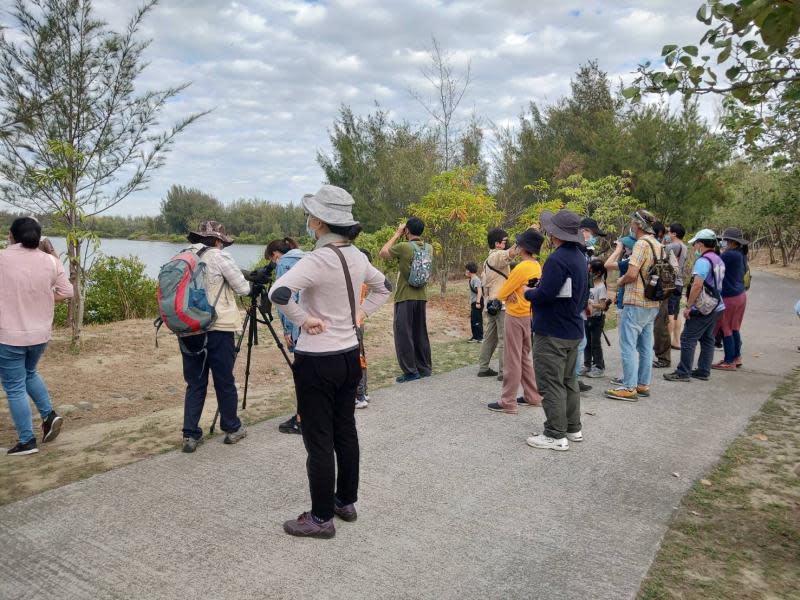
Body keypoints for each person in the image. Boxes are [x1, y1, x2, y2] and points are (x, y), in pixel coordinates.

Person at [271, 184, 390, 539]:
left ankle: (321, 517)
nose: (308, 220)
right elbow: (386, 287)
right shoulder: (357, 257)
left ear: (320, 223)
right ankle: (345, 501)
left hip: (317, 359)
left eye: (311, 215)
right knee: (345, 430)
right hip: (349, 354)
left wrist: (303, 318)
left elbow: (278, 293)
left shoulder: (317, 260)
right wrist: (360, 315)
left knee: (319, 439)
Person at [0, 217, 73, 456]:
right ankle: (49, 415)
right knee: (29, 373)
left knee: (14, 386)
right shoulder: (51, 261)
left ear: (11, 235)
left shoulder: (2, 258)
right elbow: (67, 292)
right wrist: (40, 297)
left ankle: (27, 441)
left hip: (9, 335)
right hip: (40, 334)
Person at [180, 221, 251, 453]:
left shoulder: (183, 256)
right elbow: (243, 289)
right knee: (223, 379)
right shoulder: (219, 257)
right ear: (218, 240)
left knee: (195, 382)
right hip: (218, 327)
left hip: (189, 328)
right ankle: (231, 428)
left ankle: (190, 435)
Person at [525, 210, 588, 451]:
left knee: (550, 381)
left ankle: (554, 433)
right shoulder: (579, 257)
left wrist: (528, 293)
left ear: (554, 234)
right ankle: (573, 428)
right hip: (572, 328)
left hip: (552, 331)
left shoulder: (557, 259)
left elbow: (545, 294)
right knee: (568, 380)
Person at [605, 210, 661, 402]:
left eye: (632, 222)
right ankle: (642, 384)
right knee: (645, 346)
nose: (631, 225)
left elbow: (631, 273)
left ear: (637, 225)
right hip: (652, 302)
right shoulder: (658, 245)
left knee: (628, 345)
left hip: (635, 301)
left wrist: (619, 282)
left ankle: (629, 387)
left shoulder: (641, 245)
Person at [486, 229, 544, 414]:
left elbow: (502, 292)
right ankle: (532, 395)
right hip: (529, 314)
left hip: (515, 315)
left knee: (512, 359)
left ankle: (508, 401)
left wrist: (509, 292)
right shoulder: (537, 266)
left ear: (524, 247)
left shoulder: (520, 268)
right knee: (524, 358)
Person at [664, 229, 726, 382]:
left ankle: (683, 372)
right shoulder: (718, 259)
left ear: (701, 243)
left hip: (704, 307)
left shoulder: (703, 261)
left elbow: (697, 285)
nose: (695, 246)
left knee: (687, 338)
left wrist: (689, 306)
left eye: (697, 243)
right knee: (707, 338)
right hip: (717, 305)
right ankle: (703, 370)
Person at [379, 217, 432, 383]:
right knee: (420, 332)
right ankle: (424, 368)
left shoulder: (404, 247)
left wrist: (397, 233)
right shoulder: (429, 248)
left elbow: (383, 253)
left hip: (405, 296)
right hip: (421, 296)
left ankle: (410, 371)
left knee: (404, 334)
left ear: (407, 230)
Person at [266, 237, 306, 434]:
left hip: (299, 327)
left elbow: (285, 300)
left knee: (301, 374)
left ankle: (301, 419)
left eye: (271, 260)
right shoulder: (306, 257)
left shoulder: (284, 264)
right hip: (313, 323)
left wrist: (288, 330)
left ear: (275, 255)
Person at [477, 228, 518, 380]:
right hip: (500, 305)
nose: (508, 244)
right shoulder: (497, 255)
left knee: (490, 337)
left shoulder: (488, 259)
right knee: (504, 338)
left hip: (491, 304)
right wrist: (524, 238)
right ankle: (504, 372)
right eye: (505, 241)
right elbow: (511, 254)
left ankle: (483, 367)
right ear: (497, 243)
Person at [575, 218, 606, 392]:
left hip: (582, 302)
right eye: (593, 234)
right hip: (576, 303)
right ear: (584, 231)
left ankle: (574, 377)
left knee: (581, 342)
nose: (594, 238)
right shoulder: (577, 250)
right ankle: (573, 378)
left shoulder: (584, 251)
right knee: (581, 342)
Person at [712, 228, 749, 371]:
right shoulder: (741, 254)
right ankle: (736, 357)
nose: (724, 243)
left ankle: (728, 361)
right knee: (734, 328)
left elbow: (715, 265)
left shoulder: (730, 255)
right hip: (740, 295)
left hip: (730, 297)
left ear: (733, 242)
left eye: (726, 241)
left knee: (725, 327)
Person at [651, 222, 674, 370]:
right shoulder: (660, 247)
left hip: (660, 291)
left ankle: (664, 358)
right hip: (658, 290)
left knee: (660, 326)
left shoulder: (661, 248)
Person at [355, 248, 373, 409]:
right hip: (360, 322)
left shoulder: (358, 281)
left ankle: (360, 395)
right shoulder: (365, 280)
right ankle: (364, 392)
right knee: (361, 357)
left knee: (357, 359)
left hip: (355, 323)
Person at [584, 259, 608, 378]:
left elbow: (603, 305)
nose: (588, 273)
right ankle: (587, 365)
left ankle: (599, 366)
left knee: (595, 343)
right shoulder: (589, 284)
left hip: (597, 319)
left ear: (597, 273)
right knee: (586, 343)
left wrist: (591, 304)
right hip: (587, 317)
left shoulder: (601, 287)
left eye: (590, 271)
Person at [666, 223, 689, 349]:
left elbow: (661, 255)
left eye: (669, 231)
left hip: (670, 283)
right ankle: (676, 340)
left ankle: (667, 341)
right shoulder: (684, 247)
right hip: (679, 283)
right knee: (675, 312)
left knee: (669, 313)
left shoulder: (673, 246)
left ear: (674, 234)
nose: (668, 233)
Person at [465, 262, 484, 343]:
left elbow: (479, 291)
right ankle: (475, 336)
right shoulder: (472, 279)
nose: (465, 272)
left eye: (466, 270)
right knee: (473, 320)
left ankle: (480, 337)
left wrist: (478, 302)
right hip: (474, 302)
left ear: (469, 271)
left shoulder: (475, 279)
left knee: (477, 320)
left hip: (477, 302)